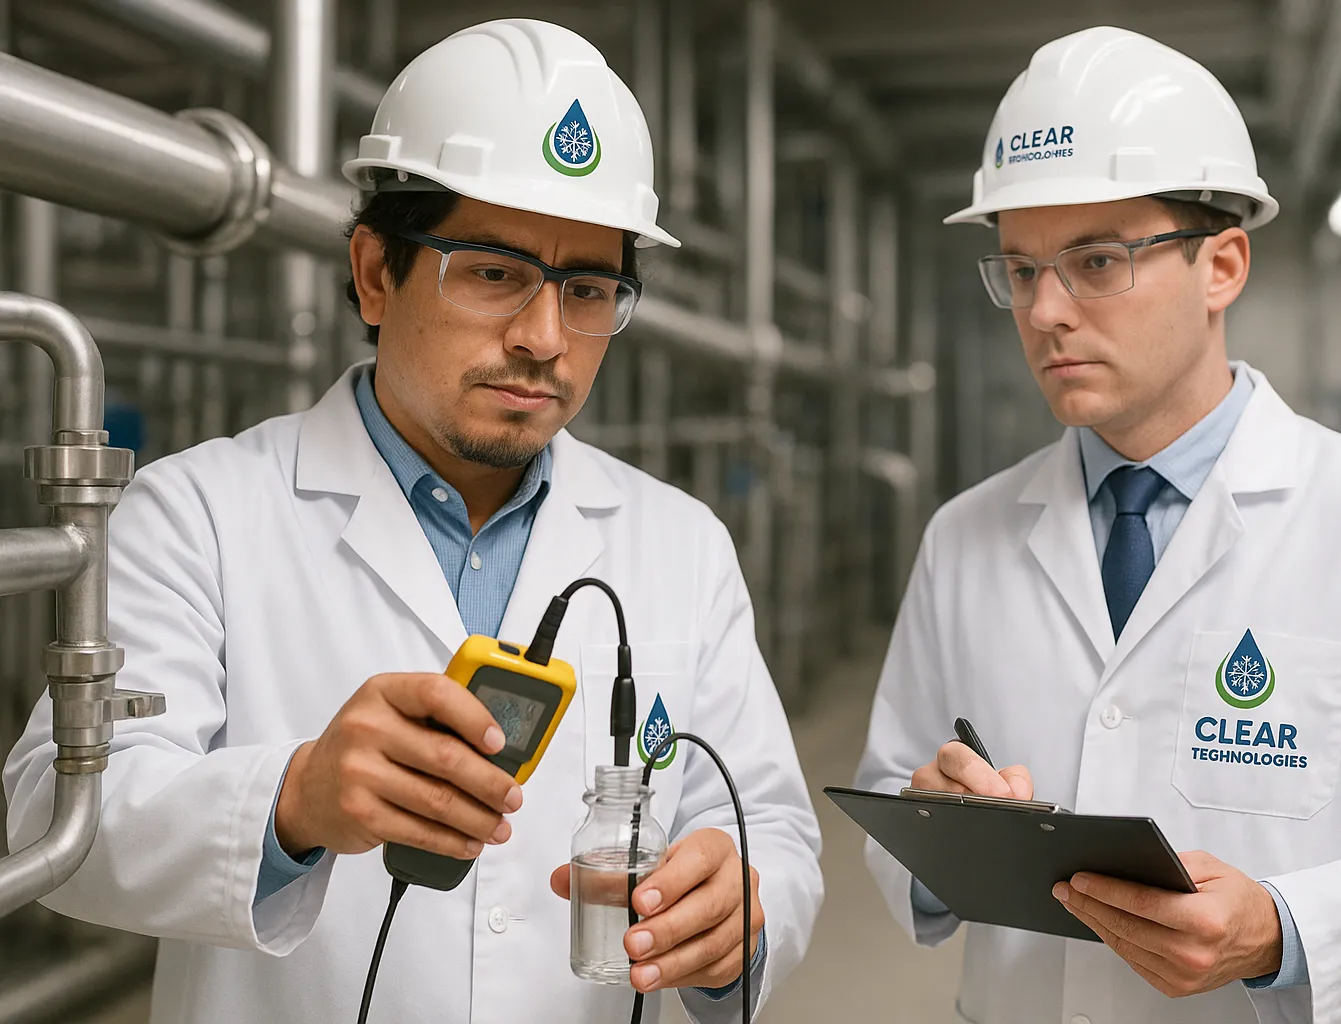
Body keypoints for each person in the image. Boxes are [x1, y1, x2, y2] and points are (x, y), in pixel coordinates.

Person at [4, 19, 822, 1024]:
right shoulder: (198, 513)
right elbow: (53, 815)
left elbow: (771, 825)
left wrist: (740, 913)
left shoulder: (682, 543)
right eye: (493, 271)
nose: (544, 338)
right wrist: (294, 800)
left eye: (588, 289)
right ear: (375, 271)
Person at [855, 24, 1341, 1024]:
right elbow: (891, 792)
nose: (1045, 313)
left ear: (1222, 265)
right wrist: (935, 831)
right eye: (1022, 270)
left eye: (1095, 261)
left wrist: (1284, 927)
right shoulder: (963, 537)